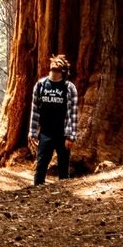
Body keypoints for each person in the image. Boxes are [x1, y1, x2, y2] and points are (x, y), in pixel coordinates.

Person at [28, 54, 78, 186]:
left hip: (63, 134)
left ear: (63, 71)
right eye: (52, 67)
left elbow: (73, 113)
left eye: (57, 68)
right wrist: (33, 132)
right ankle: (37, 191)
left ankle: (64, 193)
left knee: (63, 169)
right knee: (41, 166)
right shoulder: (40, 85)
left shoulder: (69, 87)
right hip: (45, 133)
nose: (54, 70)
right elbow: (35, 110)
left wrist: (71, 136)